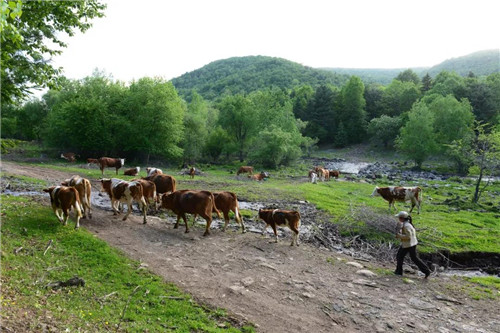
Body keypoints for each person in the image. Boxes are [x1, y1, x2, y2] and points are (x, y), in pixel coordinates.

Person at [394, 211, 431, 278]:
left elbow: (408, 236)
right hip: (412, 243)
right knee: (413, 258)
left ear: (402, 218)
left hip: (408, 244)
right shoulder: (407, 224)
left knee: (400, 256)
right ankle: (426, 271)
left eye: (399, 217)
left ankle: (399, 272)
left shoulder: (406, 225)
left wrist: (399, 235)